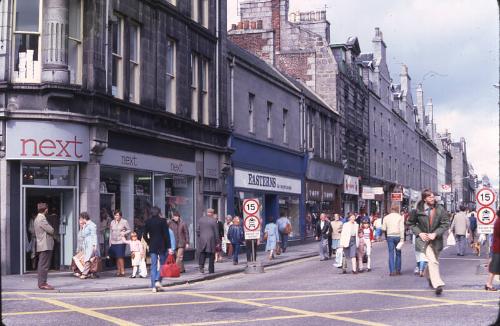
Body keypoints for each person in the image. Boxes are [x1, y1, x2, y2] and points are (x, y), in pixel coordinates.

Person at [407, 189, 450, 296]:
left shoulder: (440, 209)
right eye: (430, 197)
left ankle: (429, 277)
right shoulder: (417, 210)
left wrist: (435, 234)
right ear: (424, 199)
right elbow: (410, 223)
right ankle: (437, 284)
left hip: (436, 240)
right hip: (423, 240)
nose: (433, 199)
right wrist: (420, 233)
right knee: (433, 261)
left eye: (433, 197)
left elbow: (445, 224)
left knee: (432, 261)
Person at [143, 206, 172, 293]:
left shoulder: (148, 222)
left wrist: (149, 242)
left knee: (153, 266)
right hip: (162, 246)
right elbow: (166, 235)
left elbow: (144, 235)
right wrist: (169, 247)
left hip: (152, 246)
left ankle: (153, 287)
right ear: (159, 212)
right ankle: (157, 280)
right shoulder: (163, 221)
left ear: (151, 213)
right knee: (163, 264)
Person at [34, 203, 55, 290]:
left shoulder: (37, 218)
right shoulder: (42, 219)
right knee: (44, 265)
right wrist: (52, 229)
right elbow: (51, 230)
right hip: (45, 245)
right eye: (47, 209)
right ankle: (43, 283)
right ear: (45, 209)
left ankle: (42, 283)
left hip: (42, 244)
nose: (47, 210)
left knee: (42, 264)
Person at [382, 205, 405, 276]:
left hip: (390, 236)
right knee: (398, 253)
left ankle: (392, 271)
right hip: (398, 236)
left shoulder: (386, 217)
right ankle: (398, 270)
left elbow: (384, 229)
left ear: (390, 209)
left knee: (391, 253)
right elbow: (402, 228)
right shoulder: (400, 217)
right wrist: (402, 238)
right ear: (397, 209)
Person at [108, 210, 131, 277]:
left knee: (120, 256)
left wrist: (124, 233)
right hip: (113, 241)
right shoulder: (112, 222)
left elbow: (129, 229)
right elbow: (111, 232)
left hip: (121, 241)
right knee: (116, 257)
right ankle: (118, 271)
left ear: (120, 216)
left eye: (117, 215)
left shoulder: (124, 221)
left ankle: (123, 271)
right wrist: (110, 241)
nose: (116, 216)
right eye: (115, 215)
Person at [197, 208, 219, 274]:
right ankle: (211, 270)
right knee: (211, 254)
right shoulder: (213, 220)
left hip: (202, 239)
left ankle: (201, 266)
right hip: (211, 239)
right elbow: (216, 232)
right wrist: (217, 242)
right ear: (212, 213)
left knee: (202, 252)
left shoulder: (201, 220)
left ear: (207, 212)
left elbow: (197, 230)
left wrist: (200, 236)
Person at [79, 212, 100, 279]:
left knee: (88, 258)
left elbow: (94, 235)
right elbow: (82, 235)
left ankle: (85, 273)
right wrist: (82, 227)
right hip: (86, 244)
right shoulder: (85, 225)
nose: (80, 220)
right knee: (90, 258)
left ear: (84, 218)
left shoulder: (92, 225)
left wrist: (94, 245)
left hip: (91, 243)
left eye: (81, 218)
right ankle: (93, 273)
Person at [485, 209, 500, 291]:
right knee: (494, 268)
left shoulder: (498, 221)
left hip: (497, 248)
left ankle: (488, 284)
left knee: (494, 267)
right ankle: (489, 284)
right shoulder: (499, 222)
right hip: (498, 248)